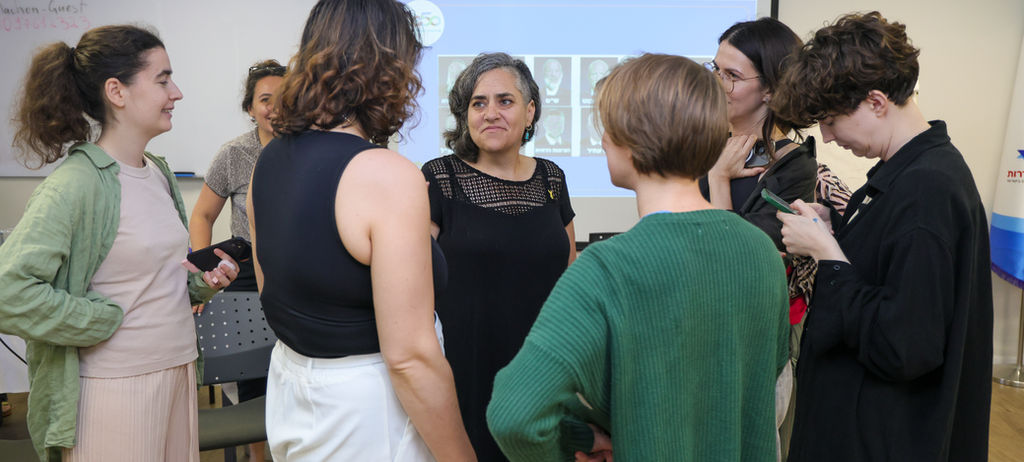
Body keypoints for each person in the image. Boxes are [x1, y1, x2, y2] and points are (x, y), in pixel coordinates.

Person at [487, 53, 789, 462]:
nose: (603, 141)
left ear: (630, 142)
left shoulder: (606, 269)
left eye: (608, 129)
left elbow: (513, 416)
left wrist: (579, 439)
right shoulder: (761, 252)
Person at [247, 1, 475, 460]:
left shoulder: (268, 160)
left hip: (292, 390)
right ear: (387, 67)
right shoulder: (384, 174)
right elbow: (410, 359)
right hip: (368, 410)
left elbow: (273, 287)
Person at [0, 25, 237, 461]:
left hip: (178, 370)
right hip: (115, 388)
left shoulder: (157, 172)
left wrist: (201, 284)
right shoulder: (76, 184)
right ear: (116, 91)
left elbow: (149, 280)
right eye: (163, 80)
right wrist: (99, 319)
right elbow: (8, 293)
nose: (176, 93)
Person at [771, 11, 993, 461]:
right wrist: (836, 231)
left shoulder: (928, 189)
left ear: (875, 102)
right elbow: (887, 272)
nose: (827, 138)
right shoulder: (909, 173)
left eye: (831, 121)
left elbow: (905, 345)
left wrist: (827, 255)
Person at [421, 52, 576, 461]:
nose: (491, 113)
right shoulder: (439, 178)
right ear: (465, 115)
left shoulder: (552, 178)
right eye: (478, 103)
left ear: (530, 111)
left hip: (542, 368)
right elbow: (414, 286)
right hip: (465, 370)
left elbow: (570, 276)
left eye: (505, 101)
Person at [187, 58, 284, 462]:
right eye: (266, 99)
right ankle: (258, 455)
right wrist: (203, 274)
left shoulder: (309, 147)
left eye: (285, 98)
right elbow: (202, 216)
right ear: (250, 108)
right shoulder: (235, 154)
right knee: (252, 374)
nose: (276, 108)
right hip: (244, 275)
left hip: (291, 272)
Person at [700, 17, 817, 250]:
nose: (718, 84)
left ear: (771, 89)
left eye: (732, 75)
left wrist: (719, 178)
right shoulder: (703, 141)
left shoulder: (793, 165)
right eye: (716, 70)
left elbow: (739, 253)